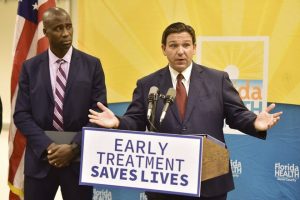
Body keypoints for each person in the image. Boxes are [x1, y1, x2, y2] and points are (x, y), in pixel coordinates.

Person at [88, 22, 282, 200]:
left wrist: (254, 122)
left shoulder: (218, 80)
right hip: (164, 181)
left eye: (186, 45)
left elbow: (237, 115)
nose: (180, 51)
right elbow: (136, 120)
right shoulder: (148, 84)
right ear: (163, 49)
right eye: (173, 45)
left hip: (209, 179)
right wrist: (118, 123)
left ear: (194, 48)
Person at [13, 7, 107, 200]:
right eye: (58, 28)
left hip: (78, 162)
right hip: (41, 160)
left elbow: (99, 115)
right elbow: (21, 115)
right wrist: (49, 147)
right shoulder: (30, 68)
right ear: (45, 32)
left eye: (68, 27)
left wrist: (73, 148)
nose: (65, 33)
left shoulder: (92, 65)